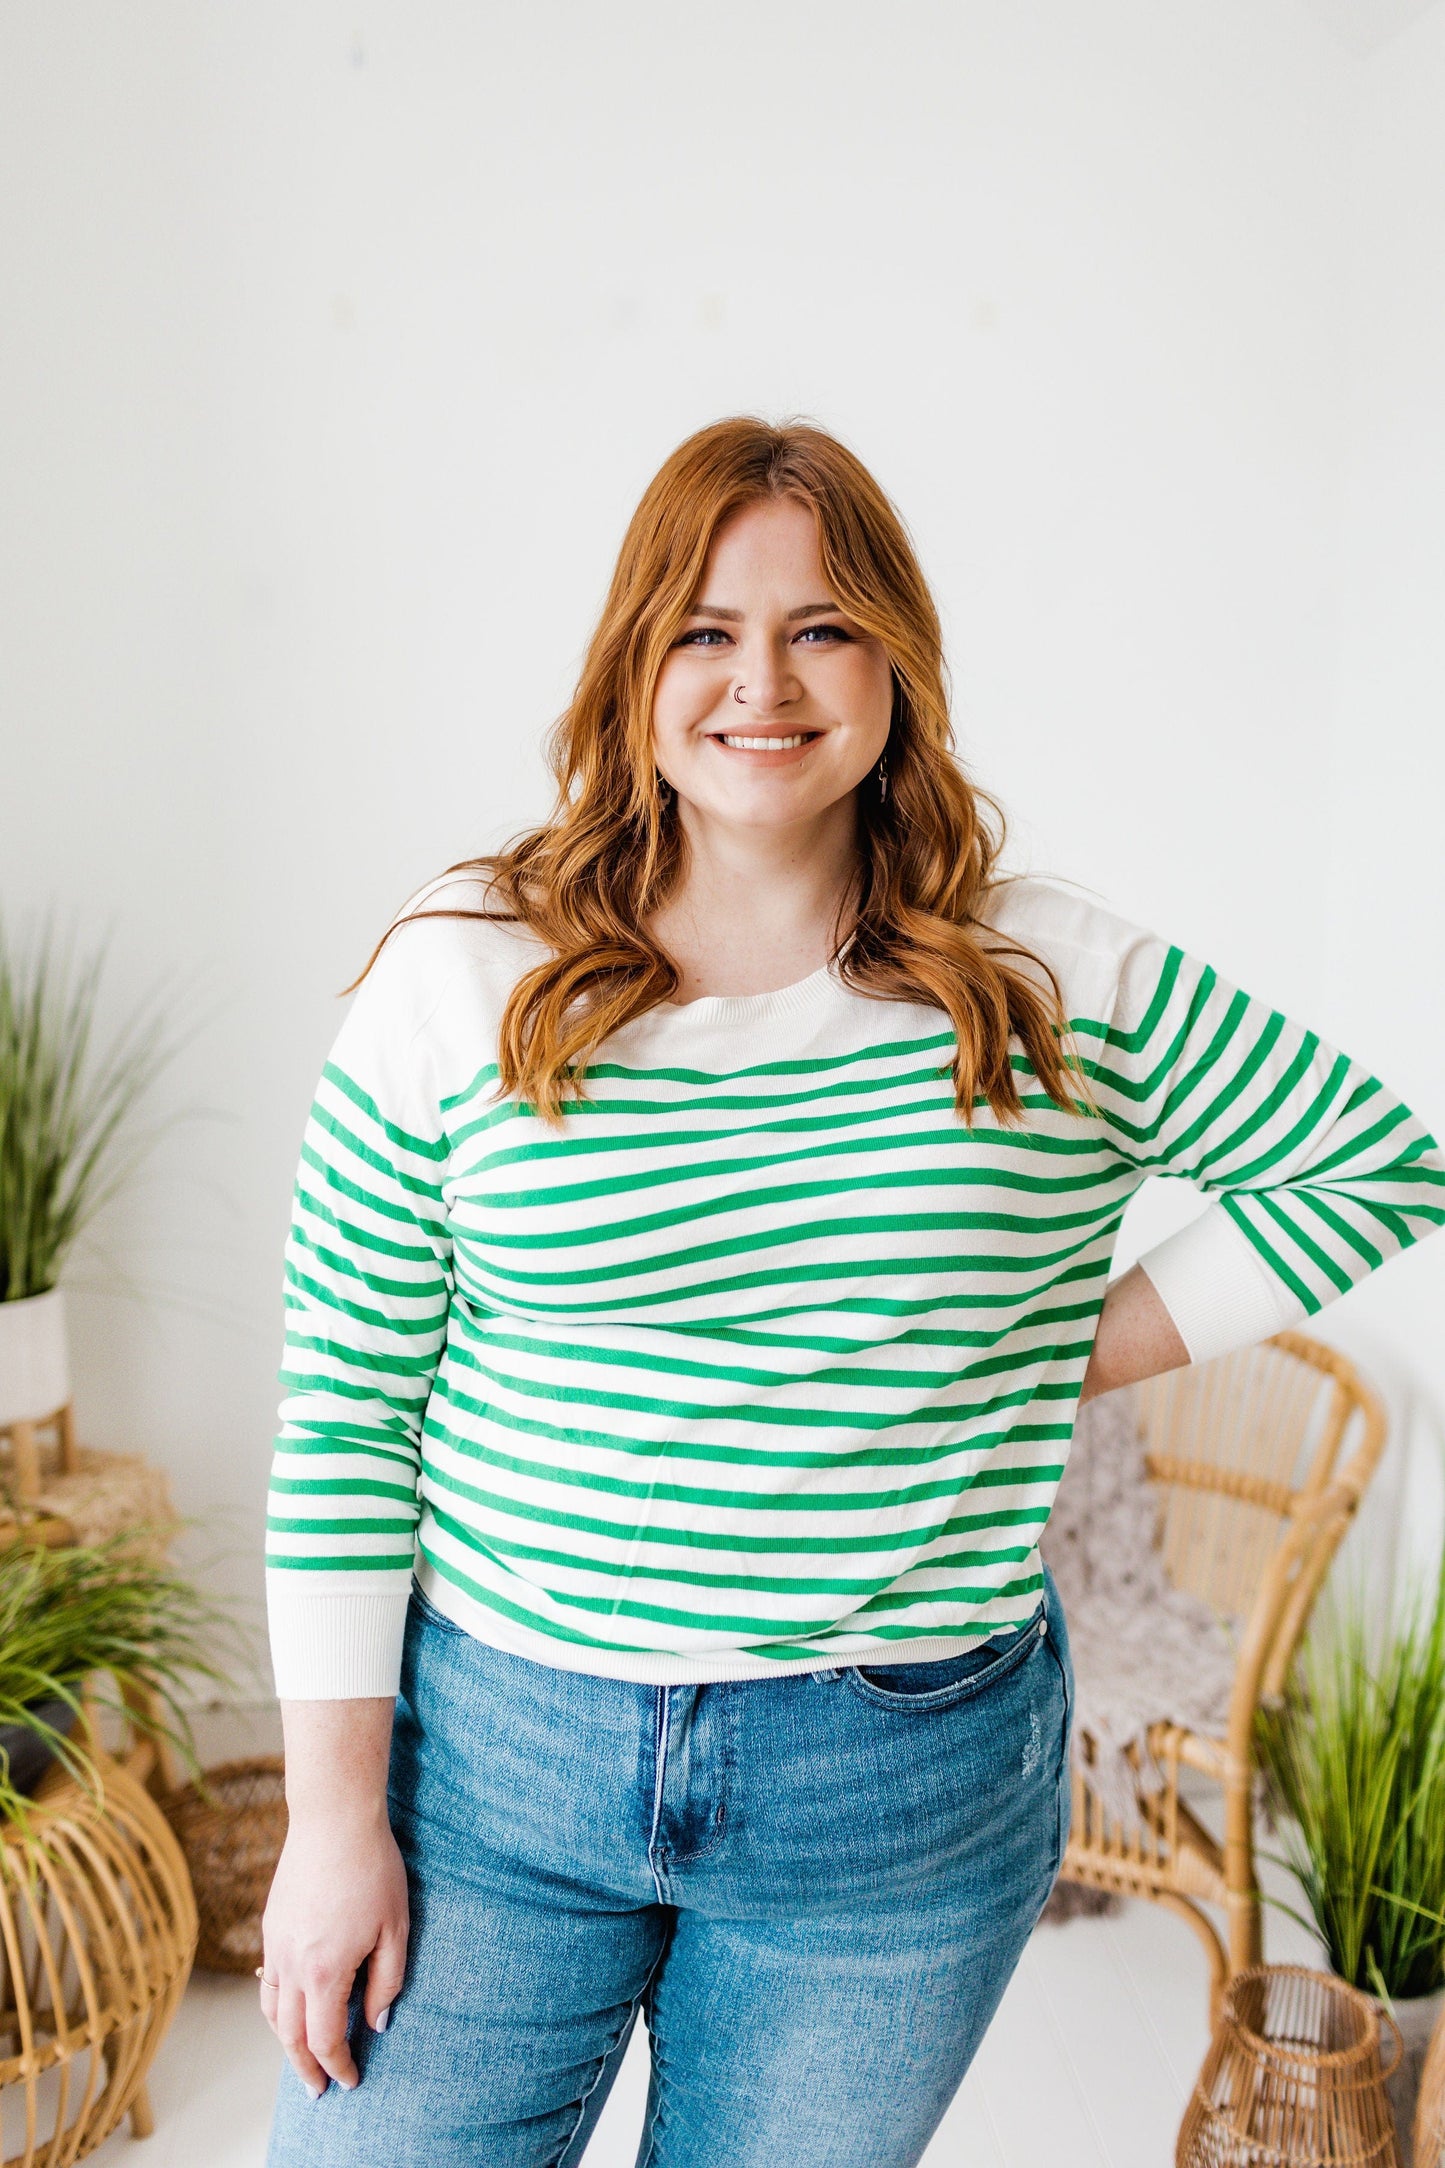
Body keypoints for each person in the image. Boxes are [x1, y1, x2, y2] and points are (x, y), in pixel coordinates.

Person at [259, 416, 1445, 2168]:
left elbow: (1376, 1167)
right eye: (705, 630)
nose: (764, 681)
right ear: (632, 663)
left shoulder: (1044, 980)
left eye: (820, 627)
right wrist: (329, 1825)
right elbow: (347, 1415)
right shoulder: (467, 970)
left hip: (893, 1780)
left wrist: (1051, 1353)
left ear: (893, 658)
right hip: (498, 1762)